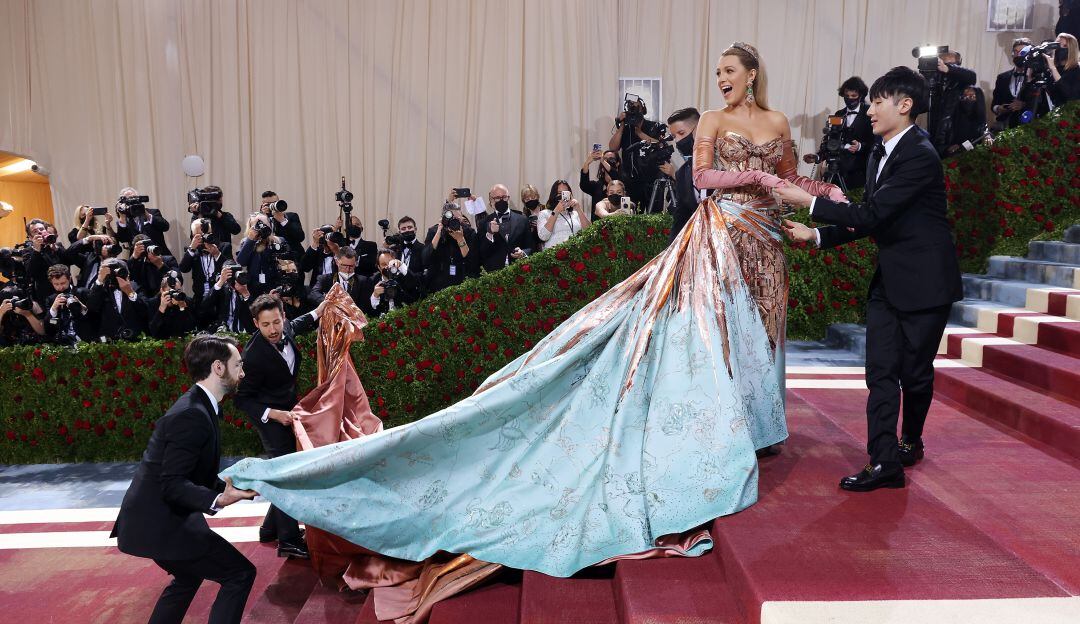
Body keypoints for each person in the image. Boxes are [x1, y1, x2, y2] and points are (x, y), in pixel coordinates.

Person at [223, 43, 844, 619]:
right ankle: (723, 431)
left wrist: (823, 198)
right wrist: (759, 180)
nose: (722, 81)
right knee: (713, 337)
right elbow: (704, 181)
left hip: (767, 239)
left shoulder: (780, 122)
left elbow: (790, 179)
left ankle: (758, 427)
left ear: (752, 74)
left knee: (762, 335)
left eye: (729, 73)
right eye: (717, 74)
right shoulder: (710, 120)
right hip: (717, 237)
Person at [776, 66, 962, 492]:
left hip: (927, 284)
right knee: (880, 371)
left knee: (915, 375)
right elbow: (869, 220)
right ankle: (884, 461)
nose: (870, 111)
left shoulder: (920, 153)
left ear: (905, 105)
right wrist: (819, 235)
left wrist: (811, 201)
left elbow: (873, 215)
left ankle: (910, 439)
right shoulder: (880, 151)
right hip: (889, 281)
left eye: (878, 102)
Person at [111, 335, 258, 624]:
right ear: (218, 368)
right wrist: (217, 498)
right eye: (238, 365)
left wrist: (231, 486)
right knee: (239, 573)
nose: (242, 372)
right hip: (161, 524)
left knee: (188, 576)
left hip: (156, 520)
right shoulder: (192, 414)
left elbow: (189, 473)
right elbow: (173, 483)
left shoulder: (199, 405)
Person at [233, 294, 326, 558]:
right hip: (269, 418)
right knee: (286, 474)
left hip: (288, 411)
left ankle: (269, 528)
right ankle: (289, 540)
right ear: (255, 323)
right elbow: (242, 400)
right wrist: (273, 414)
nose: (273, 330)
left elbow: (298, 324)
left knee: (288, 468)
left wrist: (319, 311)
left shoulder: (284, 328)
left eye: (276, 322)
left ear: (282, 316)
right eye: (265, 325)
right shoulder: (252, 357)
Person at [927, 51, 977, 156]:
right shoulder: (935, 81)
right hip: (935, 138)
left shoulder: (963, 84)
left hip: (955, 141)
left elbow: (972, 76)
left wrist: (948, 69)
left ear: (958, 64)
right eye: (942, 64)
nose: (943, 68)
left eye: (949, 64)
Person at [475, 184, 532, 272]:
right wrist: (490, 234)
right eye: (497, 198)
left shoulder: (522, 219)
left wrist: (523, 253)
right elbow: (481, 252)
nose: (501, 200)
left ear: (508, 198)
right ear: (491, 200)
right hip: (494, 274)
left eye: (504, 197)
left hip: (519, 272)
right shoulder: (484, 223)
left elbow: (530, 246)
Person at [666, 107, 702, 240]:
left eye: (681, 133)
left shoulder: (725, 164)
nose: (677, 141)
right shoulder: (682, 173)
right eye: (674, 137)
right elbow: (680, 218)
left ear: (699, 129)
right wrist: (671, 252)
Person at [536, 180, 589, 246]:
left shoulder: (575, 214)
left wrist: (579, 209)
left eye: (565, 193)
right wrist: (556, 211)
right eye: (559, 193)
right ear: (553, 195)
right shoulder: (544, 213)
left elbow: (589, 232)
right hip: (554, 253)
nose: (562, 196)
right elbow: (543, 236)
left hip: (575, 252)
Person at [942, 86, 988, 158]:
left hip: (974, 158)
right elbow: (939, 144)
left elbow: (984, 133)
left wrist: (987, 137)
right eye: (964, 96)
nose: (966, 99)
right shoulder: (949, 119)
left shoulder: (980, 119)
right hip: (953, 158)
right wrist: (947, 148)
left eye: (971, 96)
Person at [1048, 33, 1080, 106]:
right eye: (1058, 45)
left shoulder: (1076, 70)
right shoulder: (1051, 68)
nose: (1060, 48)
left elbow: (1071, 96)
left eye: (1065, 46)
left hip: (1066, 114)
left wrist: (1053, 69)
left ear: (1071, 50)